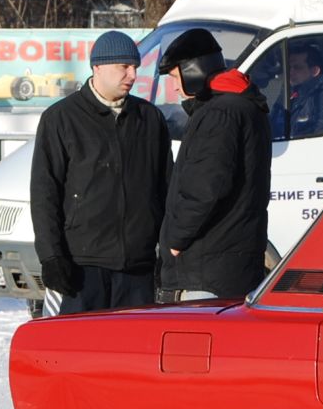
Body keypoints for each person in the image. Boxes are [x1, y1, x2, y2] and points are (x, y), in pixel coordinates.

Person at [30, 31, 170, 315]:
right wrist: (52, 257)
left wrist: (164, 254)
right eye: (124, 67)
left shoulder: (150, 119)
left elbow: (165, 188)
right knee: (77, 355)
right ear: (98, 67)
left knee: (131, 355)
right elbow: (45, 194)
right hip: (81, 267)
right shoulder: (61, 119)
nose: (132, 75)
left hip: (137, 268)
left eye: (135, 68)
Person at [158, 28, 272, 302]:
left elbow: (206, 184)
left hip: (207, 266)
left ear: (193, 69)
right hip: (230, 259)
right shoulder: (242, 105)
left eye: (175, 76)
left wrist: (176, 239)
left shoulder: (220, 113)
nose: (173, 86)